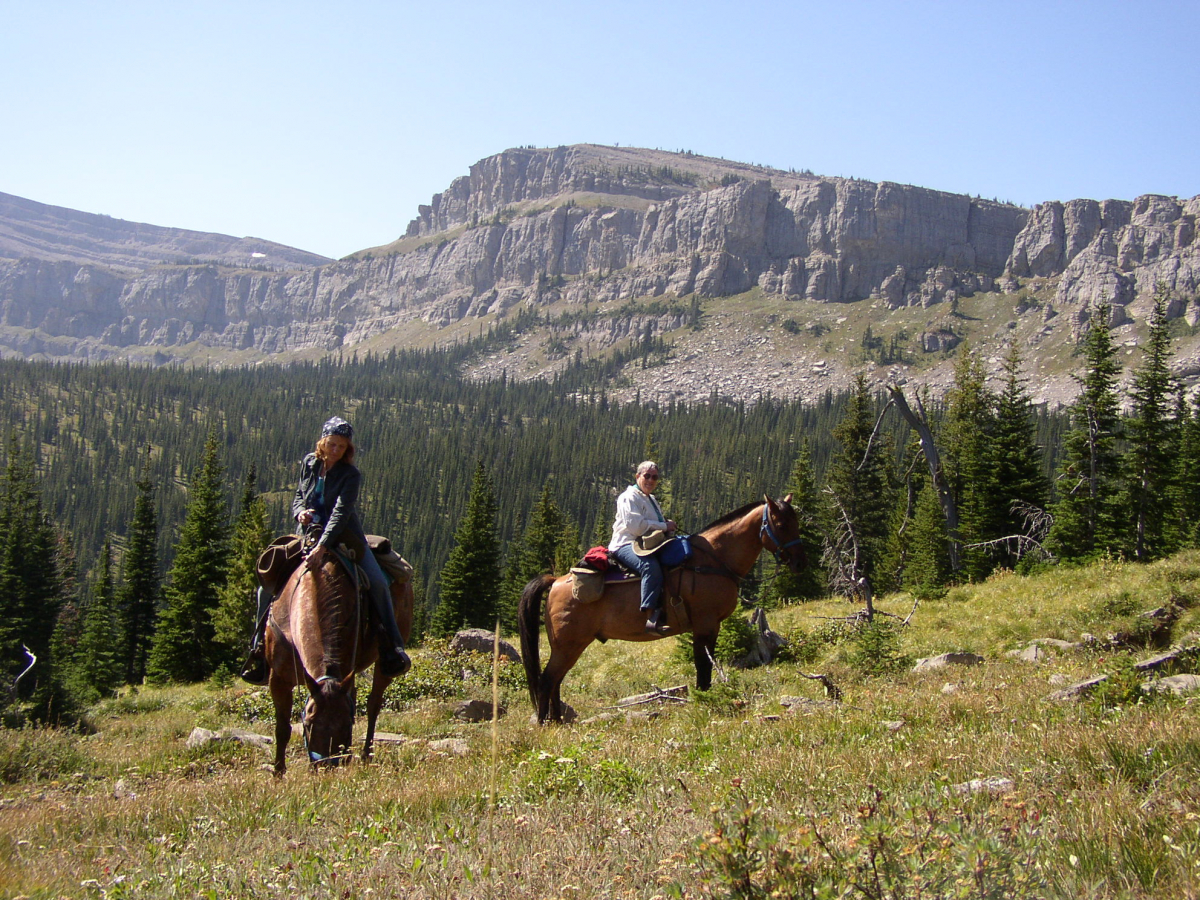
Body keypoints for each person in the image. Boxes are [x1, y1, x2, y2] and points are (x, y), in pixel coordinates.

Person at [241, 416, 411, 684]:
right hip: (307, 534)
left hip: (344, 537)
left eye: (342, 446)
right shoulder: (310, 463)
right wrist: (300, 514)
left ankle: (393, 646)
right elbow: (299, 495)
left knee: (378, 583)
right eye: (332, 444)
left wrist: (323, 546)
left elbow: (341, 513)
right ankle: (259, 648)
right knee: (267, 587)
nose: (336, 450)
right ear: (323, 442)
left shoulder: (350, 475)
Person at [608, 460, 677, 634]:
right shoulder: (628, 497)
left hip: (646, 543)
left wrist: (665, 524)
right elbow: (636, 527)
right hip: (625, 544)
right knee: (650, 566)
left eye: (654, 477)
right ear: (638, 476)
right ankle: (650, 616)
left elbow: (652, 523)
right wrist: (663, 526)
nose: (651, 480)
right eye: (647, 476)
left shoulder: (650, 498)